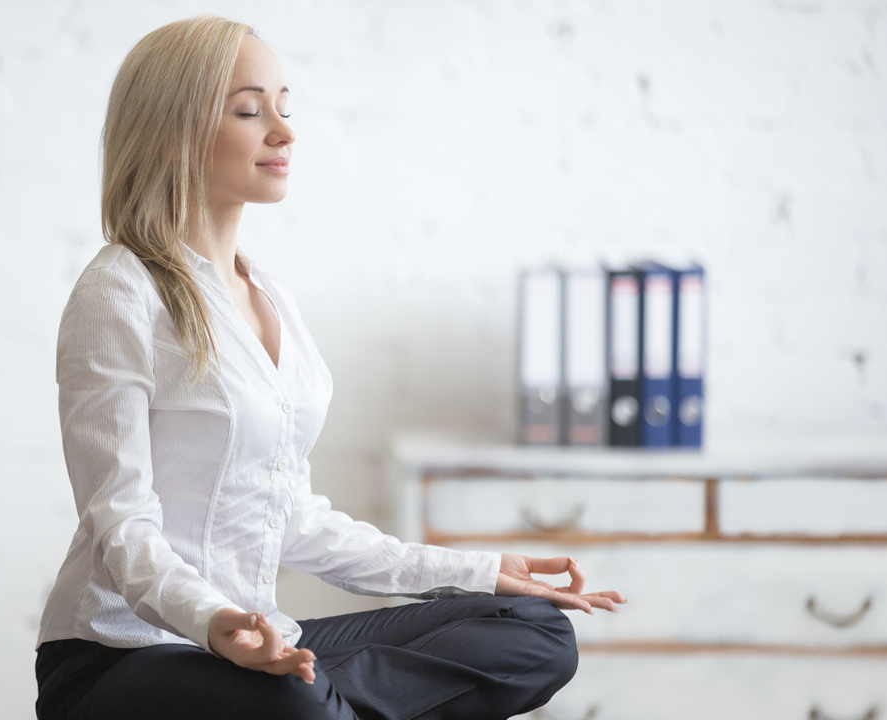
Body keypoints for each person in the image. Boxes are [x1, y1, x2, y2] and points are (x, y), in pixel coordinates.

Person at [34, 15, 626, 720]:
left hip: (257, 643)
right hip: (122, 656)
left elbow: (295, 520)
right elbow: (122, 523)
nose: (284, 131)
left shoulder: (270, 296)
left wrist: (479, 572)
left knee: (535, 634)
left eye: (285, 107)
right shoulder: (120, 292)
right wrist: (214, 623)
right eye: (250, 110)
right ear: (171, 132)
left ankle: (326, 705)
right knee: (296, 705)